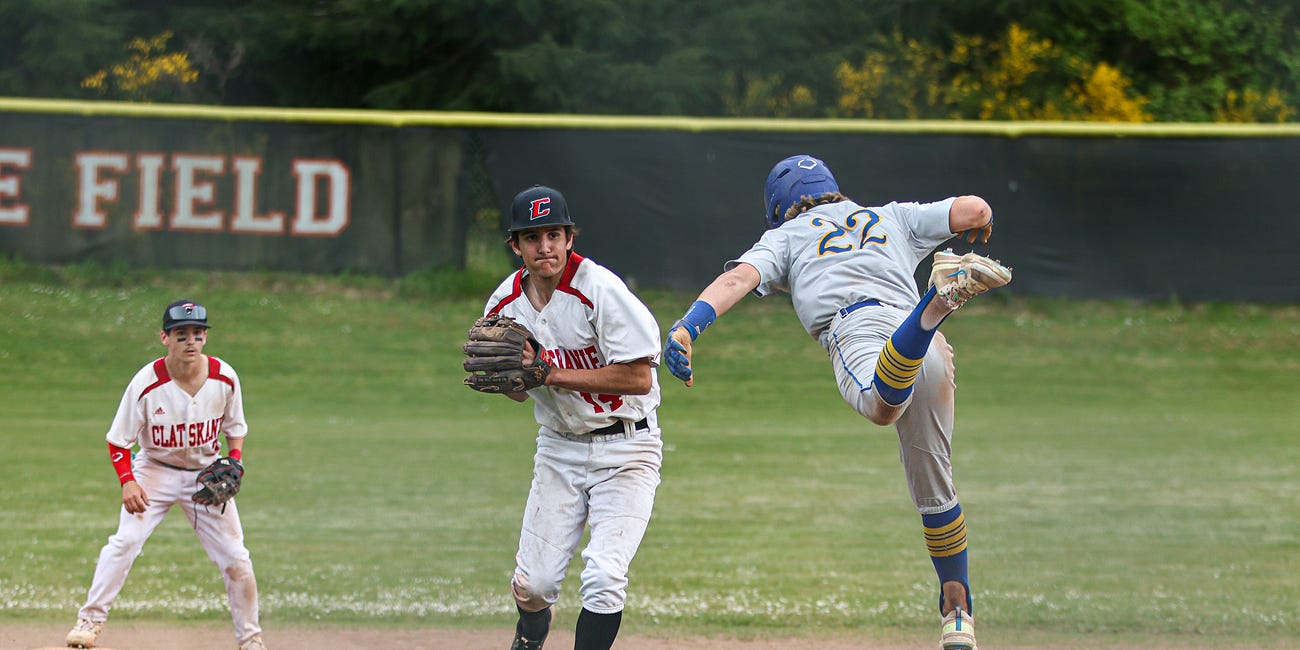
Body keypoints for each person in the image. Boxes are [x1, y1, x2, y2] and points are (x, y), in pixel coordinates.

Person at [663, 154, 1011, 650]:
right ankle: (958, 613)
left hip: (863, 331)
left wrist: (688, 325)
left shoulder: (786, 235)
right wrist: (985, 219)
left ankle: (936, 302)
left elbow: (737, 279)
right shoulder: (891, 215)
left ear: (778, 206)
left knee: (880, 404)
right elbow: (973, 209)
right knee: (935, 489)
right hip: (919, 344)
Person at [469, 185, 664, 650]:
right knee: (533, 586)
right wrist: (512, 380)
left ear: (569, 238)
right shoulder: (504, 306)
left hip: (628, 449)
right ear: (516, 246)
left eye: (554, 234)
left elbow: (639, 378)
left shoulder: (600, 290)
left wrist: (550, 374)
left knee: (604, 575)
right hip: (559, 448)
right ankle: (531, 637)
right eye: (532, 238)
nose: (545, 247)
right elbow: (521, 392)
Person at [66, 300, 266, 650]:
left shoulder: (224, 377)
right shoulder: (146, 383)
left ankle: (250, 638)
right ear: (165, 338)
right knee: (124, 543)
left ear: (205, 338)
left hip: (206, 476)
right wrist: (128, 481)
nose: (191, 341)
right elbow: (118, 441)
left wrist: (235, 460)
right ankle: (90, 621)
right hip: (153, 472)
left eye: (198, 334)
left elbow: (236, 427)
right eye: (181, 334)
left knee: (237, 558)